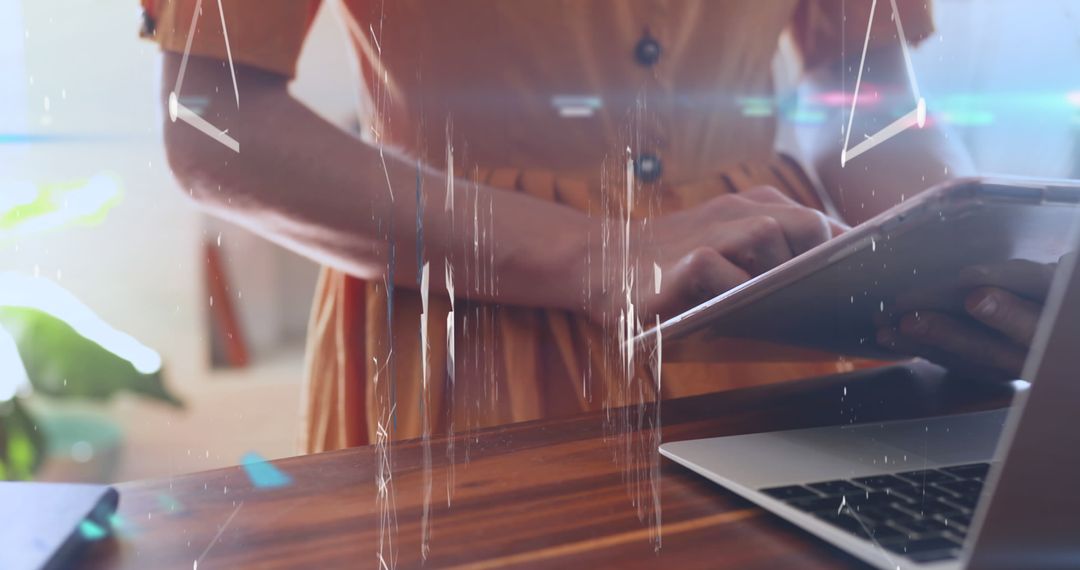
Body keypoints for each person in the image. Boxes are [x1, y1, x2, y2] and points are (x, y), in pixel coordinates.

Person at [140, 0, 1042, 451]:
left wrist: (982, 265)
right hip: (471, 332)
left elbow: (866, 91)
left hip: (766, 315)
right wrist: (593, 256)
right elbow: (211, 123)